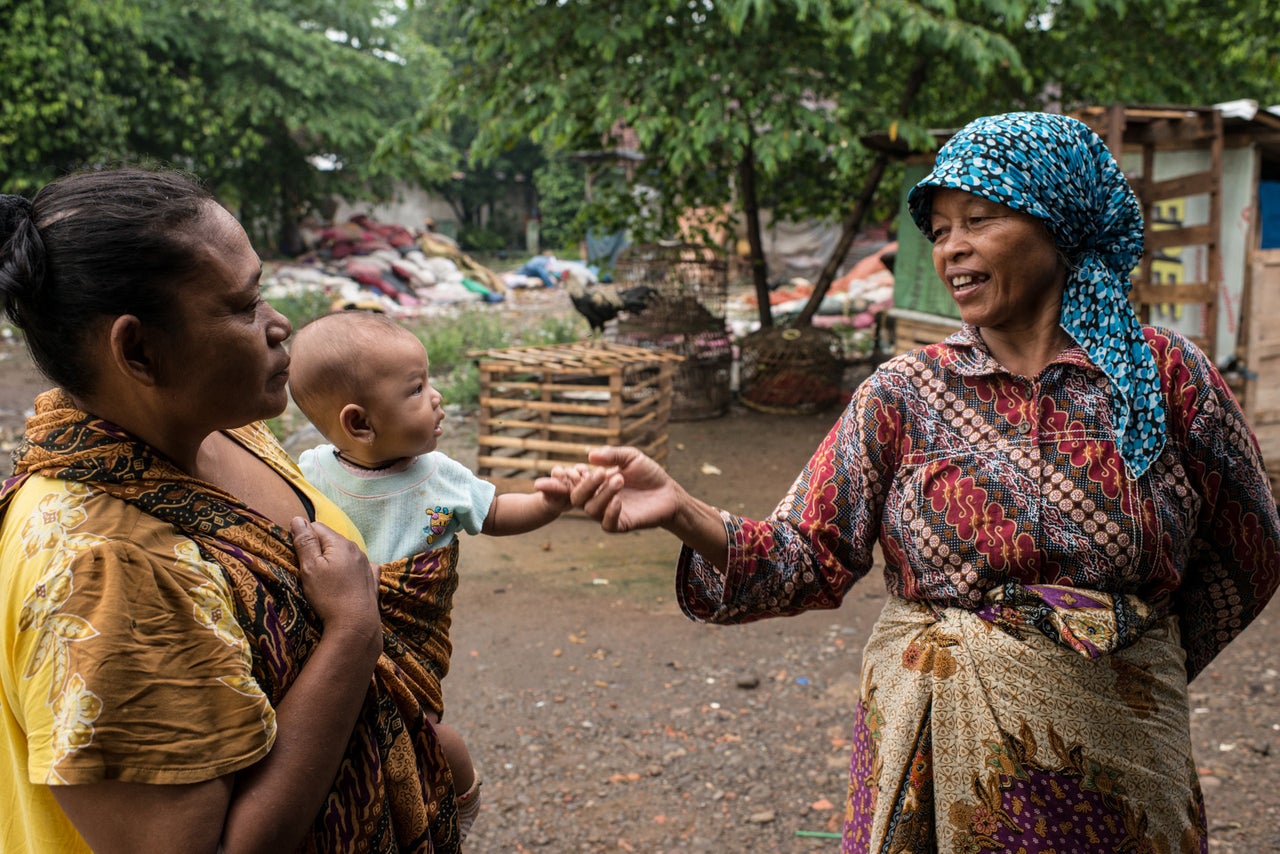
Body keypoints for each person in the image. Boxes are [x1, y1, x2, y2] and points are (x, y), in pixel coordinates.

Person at [561, 111, 1280, 852]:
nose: (952, 248)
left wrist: (1129, 658)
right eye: (938, 230)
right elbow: (810, 553)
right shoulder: (905, 392)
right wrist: (683, 511)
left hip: (1121, 768)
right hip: (932, 755)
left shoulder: (1165, 378)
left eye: (979, 218)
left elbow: (1251, 550)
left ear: (1059, 224)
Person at [0, 168, 531, 852]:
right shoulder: (97, 572)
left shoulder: (223, 429)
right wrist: (351, 633)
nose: (281, 326)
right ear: (137, 349)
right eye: (244, 306)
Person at [286, 309, 574, 843]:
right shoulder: (310, 474)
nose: (437, 398)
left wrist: (547, 504)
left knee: (441, 742)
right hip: (344, 638)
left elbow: (496, 514)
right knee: (351, 742)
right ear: (359, 423)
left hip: (409, 643)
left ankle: (457, 800)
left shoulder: (440, 478)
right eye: (417, 389)